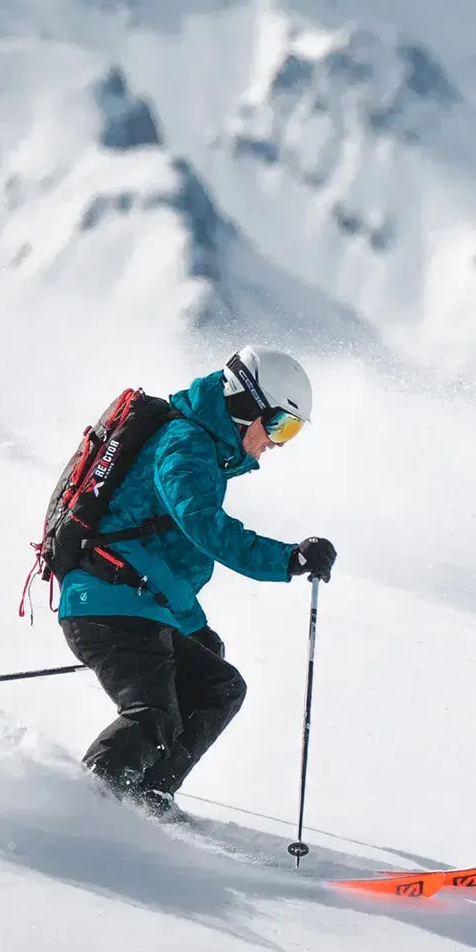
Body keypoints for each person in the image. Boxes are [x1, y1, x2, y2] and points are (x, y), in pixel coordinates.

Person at [59, 346, 337, 813]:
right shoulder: (185, 445)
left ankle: (146, 801)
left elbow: (161, 559)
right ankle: (83, 809)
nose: (279, 443)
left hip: (135, 603)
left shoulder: (201, 448)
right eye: (279, 425)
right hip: (106, 602)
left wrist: (193, 627)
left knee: (218, 687)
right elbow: (204, 526)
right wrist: (287, 559)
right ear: (245, 405)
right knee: (153, 716)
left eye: (292, 431)